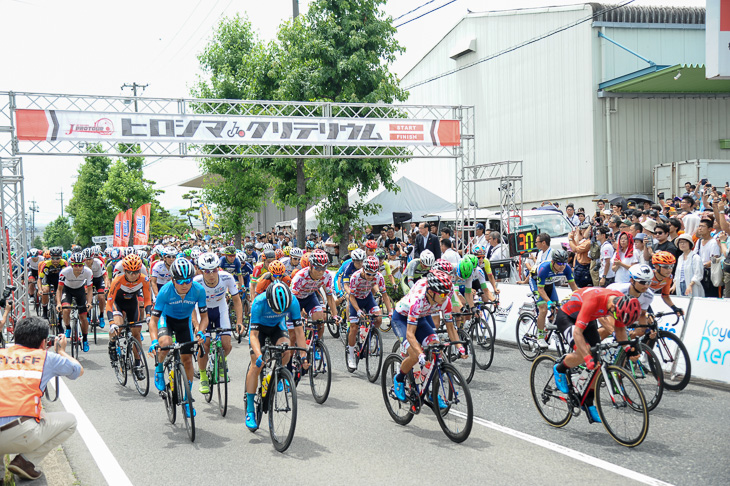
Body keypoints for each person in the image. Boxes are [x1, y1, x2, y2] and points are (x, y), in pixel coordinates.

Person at [0, 317, 83, 481]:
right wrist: (61, 351)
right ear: (44, 342)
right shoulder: (46, 357)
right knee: (70, 421)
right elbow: (77, 370)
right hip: (19, 433)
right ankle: (26, 461)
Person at [552, 288, 641, 423]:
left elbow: (620, 329)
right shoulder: (594, 300)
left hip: (589, 317)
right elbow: (577, 333)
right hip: (568, 317)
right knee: (585, 352)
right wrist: (587, 357)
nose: (617, 319)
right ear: (612, 307)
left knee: (597, 361)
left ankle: (588, 400)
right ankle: (560, 368)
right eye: (616, 316)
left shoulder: (620, 303)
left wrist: (628, 349)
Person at [149, 259, 208, 418]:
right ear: (172, 279)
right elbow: (153, 321)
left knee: (187, 359)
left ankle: (187, 399)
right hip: (166, 319)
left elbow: (204, 317)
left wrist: (201, 332)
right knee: (166, 344)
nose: (184, 284)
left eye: (188, 280)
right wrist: (155, 341)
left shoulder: (198, 290)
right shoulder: (166, 291)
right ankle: (160, 368)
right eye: (180, 281)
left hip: (184, 322)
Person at [389, 271, 454, 402]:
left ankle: (429, 390)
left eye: (447, 293)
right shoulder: (418, 300)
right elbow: (410, 334)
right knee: (414, 354)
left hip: (421, 318)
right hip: (401, 319)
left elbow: (450, 327)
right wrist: (420, 354)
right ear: (431, 292)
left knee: (436, 350)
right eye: (442, 294)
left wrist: (459, 346)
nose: (445, 297)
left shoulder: (444, 299)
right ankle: (399, 379)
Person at [245, 282, 301, 430]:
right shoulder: (259, 302)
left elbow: (299, 331)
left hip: (277, 326)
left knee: (286, 350)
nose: (278, 312)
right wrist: (259, 356)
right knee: (256, 364)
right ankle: (250, 409)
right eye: (275, 309)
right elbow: (254, 335)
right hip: (260, 330)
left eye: (281, 310)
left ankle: (275, 375)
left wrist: (304, 356)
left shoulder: (293, 301)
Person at [193, 252, 242, 394]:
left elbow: (237, 301)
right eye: (207, 271)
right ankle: (203, 376)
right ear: (201, 270)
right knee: (205, 345)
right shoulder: (196, 282)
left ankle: (221, 360)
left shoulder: (227, 277)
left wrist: (239, 322)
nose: (211, 274)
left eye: (214, 270)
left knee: (227, 345)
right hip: (203, 312)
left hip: (220, 309)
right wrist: (196, 324)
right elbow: (191, 306)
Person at [105, 254, 153, 379]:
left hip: (132, 303)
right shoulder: (118, 280)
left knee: (136, 333)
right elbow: (109, 302)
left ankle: (137, 365)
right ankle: (112, 344)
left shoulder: (144, 279)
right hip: (118, 303)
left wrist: (148, 315)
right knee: (118, 327)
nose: (133, 275)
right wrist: (111, 323)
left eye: (136, 272)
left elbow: (148, 299)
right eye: (130, 272)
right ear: (125, 271)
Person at [346, 256, 392, 368]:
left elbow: (385, 295)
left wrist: (391, 312)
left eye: (373, 274)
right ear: (363, 269)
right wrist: (357, 310)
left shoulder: (379, 277)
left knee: (379, 318)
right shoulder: (355, 277)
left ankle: (370, 336)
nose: (371, 277)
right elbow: (351, 297)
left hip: (368, 299)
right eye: (368, 274)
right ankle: (351, 355)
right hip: (356, 300)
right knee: (353, 327)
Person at [529, 250, 578, 348]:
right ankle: (540, 336)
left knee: (557, 309)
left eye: (564, 263)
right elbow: (541, 289)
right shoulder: (544, 268)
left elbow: (574, 287)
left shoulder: (567, 269)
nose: (562, 266)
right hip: (536, 283)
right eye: (559, 263)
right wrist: (549, 302)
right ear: (553, 262)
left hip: (550, 284)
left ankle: (549, 328)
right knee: (543, 309)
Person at [57, 253, 94, 352]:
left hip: (80, 290)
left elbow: (90, 289)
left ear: (84, 264)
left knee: (83, 317)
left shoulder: (88, 272)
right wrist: (58, 303)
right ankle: (68, 327)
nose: (78, 268)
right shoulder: (64, 272)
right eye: (75, 265)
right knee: (66, 309)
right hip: (67, 290)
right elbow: (59, 289)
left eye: (80, 265)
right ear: (71, 265)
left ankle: (85, 339)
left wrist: (89, 302)